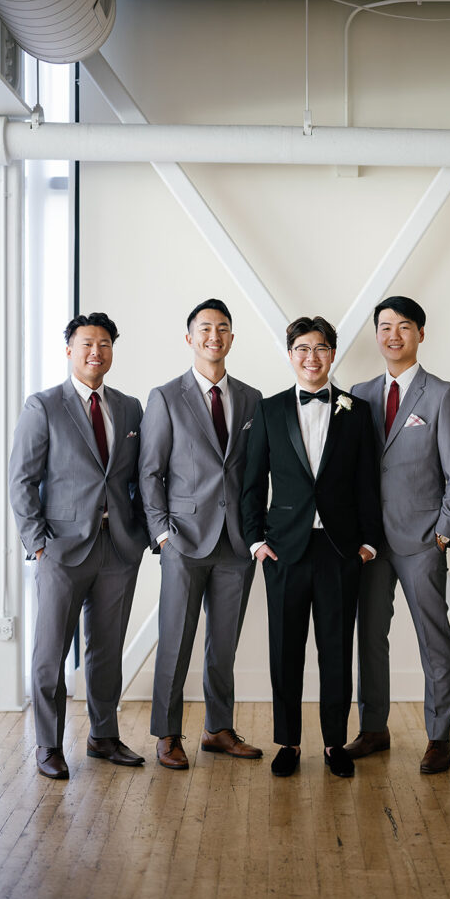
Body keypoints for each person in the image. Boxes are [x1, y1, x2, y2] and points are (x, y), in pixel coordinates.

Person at [9, 312, 149, 779]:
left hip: (118, 549)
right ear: (69, 349)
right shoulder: (43, 406)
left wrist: (142, 533)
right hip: (61, 551)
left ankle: (103, 736)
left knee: (107, 651)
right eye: (87, 343)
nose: (97, 351)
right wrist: (38, 544)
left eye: (105, 343)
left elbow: (138, 477)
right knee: (50, 654)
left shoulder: (129, 408)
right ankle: (48, 745)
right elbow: (22, 481)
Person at [241, 316, 381, 779]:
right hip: (284, 550)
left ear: (332, 354)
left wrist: (366, 543)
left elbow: (368, 481)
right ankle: (288, 742)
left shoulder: (356, 411)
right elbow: (252, 481)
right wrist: (257, 541)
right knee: (285, 650)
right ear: (290, 354)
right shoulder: (269, 410)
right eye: (302, 348)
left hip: (340, 549)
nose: (311, 357)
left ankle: (334, 743)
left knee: (337, 650)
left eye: (320, 348)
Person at [345, 296, 450, 773]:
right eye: (384, 327)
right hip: (371, 543)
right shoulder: (358, 392)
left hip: (422, 540)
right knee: (370, 636)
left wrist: (443, 534)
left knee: (432, 637)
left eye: (403, 326)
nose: (392, 335)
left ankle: (438, 736)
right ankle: (374, 728)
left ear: (420, 333)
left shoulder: (442, 395)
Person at [139, 299, 262, 769]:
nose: (215, 336)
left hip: (235, 544)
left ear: (232, 338)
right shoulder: (166, 397)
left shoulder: (251, 398)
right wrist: (162, 534)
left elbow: (255, 473)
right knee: (176, 639)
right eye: (205, 328)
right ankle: (168, 734)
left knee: (223, 643)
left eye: (223, 328)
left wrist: (255, 532)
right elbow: (150, 472)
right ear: (189, 338)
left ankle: (218, 728)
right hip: (184, 540)